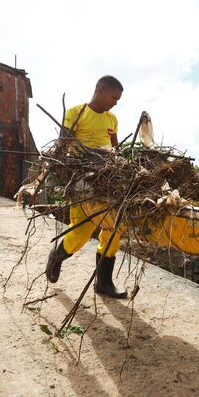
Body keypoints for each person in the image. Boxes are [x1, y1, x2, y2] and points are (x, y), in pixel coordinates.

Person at [44, 75, 127, 299]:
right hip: (81, 180)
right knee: (81, 232)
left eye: (118, 99)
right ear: (100, 90)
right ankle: (58, 255)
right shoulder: (75, 113)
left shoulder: (113, 119)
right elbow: (62, 148)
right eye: (114, 97)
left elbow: (115, 151)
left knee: (113, 229)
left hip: (107, 181)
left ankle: (104, 282)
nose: (116, 102)